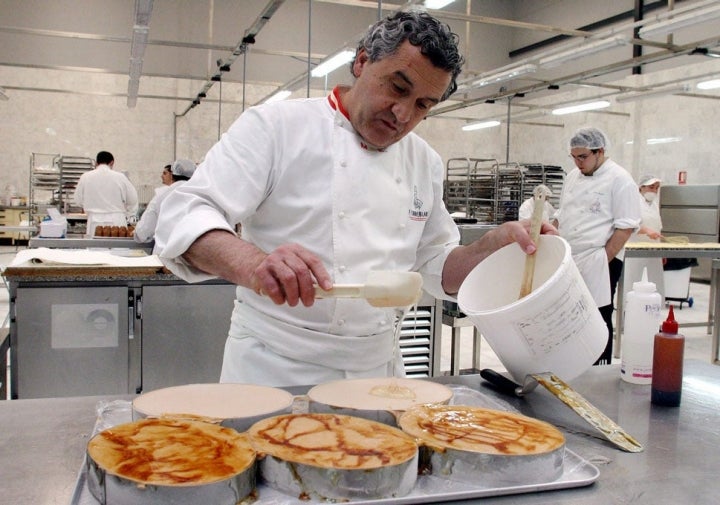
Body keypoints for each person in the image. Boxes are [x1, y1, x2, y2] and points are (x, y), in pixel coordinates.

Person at [154, 10, 555, 387]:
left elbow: (435, 266)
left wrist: (490, 248)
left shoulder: (423, 161)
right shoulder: (275, 128)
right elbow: (184, 214)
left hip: (376, 374)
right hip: (274, 368)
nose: (402, 114)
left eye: (423, 105)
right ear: (362, 62)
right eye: (397, 87)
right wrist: (255, 265)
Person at [553, 127, 641, 364]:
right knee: (569, 315)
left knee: (598, 316)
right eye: (573, 157)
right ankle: (571, 365)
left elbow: (625, 227)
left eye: (583, 157)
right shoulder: (572, 177)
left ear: (600, 151)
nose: (578, 162)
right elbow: (562, 214)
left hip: (600, 260)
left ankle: (598, 369)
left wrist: (604, 259)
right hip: (571, 258)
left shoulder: (620, 179)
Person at [74, 151, 139, 237]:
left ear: (96, 163)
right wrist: (130, 217)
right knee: (118, 249)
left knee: (95, 248)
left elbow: (78, 200)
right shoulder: (120, 177)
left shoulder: (85, 177)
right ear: (112, 163)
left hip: (94, 220)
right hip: (117, 221)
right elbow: (133, 199)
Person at [134, 159, 196, 243]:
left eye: (164, 173)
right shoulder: (198, 195)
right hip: (192, 250)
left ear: (172, 175)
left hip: (165, 251)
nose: (161, 176)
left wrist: (138, 235)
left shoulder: (161, 195)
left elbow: (144, 230)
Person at [623, 174, 665, 299]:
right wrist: (646, 231)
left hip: (653, 252)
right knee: (635, 283)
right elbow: (628, 225)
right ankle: (629, 307)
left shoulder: (654, 205)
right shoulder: (633, 203)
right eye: (651, 187)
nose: (654, 191)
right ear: (641, 187)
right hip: (635, 251)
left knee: (653, 283)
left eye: (656, 188)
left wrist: (662, 251)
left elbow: (658, 227)